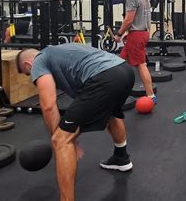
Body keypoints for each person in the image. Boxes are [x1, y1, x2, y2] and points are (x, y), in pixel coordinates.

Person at [16, 44, 135, 201]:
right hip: (124, 70)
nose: (32, 77)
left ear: (27, 65)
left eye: (28, 74)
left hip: (105, 77)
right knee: (111, 113)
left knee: (60, 140)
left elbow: (49, 105)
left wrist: (65, 139)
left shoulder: (38, 61)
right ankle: (121, 157)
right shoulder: (58, 50)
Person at [114, 0, 155, 102]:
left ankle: (151, 95)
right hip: (142, 33)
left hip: (137, 35)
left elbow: (128, 20)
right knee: (120, 63)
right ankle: (114, 91)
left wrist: (119, 34)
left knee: (141, 64)